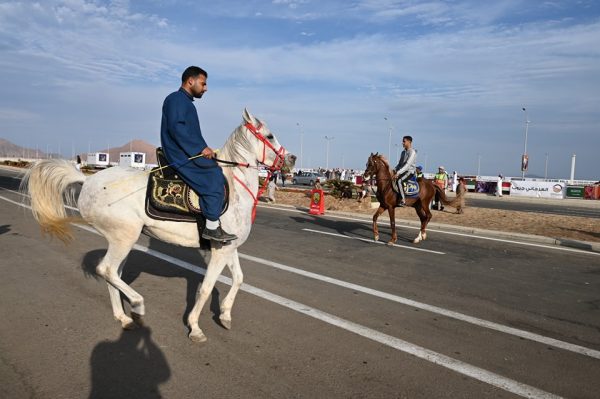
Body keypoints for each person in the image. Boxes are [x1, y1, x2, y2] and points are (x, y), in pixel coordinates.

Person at [160, 66, 237, 243]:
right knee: (213, 177)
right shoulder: (176, 99)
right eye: (203, 84)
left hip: (187, 150)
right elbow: (177, 128)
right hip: (180, 154)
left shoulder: (185, 102)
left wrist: (203, 147)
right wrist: (200, 149)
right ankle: (211, 227)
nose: (205, 88)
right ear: (190, 81)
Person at [393, 135, 417, 206]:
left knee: (399, 180)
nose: (402, 143)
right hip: (402, 171)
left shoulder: (412, 152)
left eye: (404, 141)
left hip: (410, 172)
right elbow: (399, 164)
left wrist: (398, 173)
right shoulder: (403, 152)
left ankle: (403, 200)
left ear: (409, 142)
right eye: (402, 141)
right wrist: (394, 170)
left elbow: (407, 165)